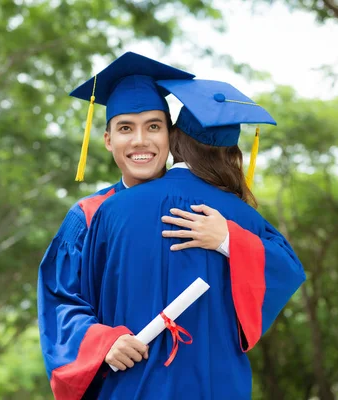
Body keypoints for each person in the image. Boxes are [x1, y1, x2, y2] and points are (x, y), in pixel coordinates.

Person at [37, 54, 252, 400]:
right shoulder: (89, 216)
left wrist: (228, 240)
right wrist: (104, 342)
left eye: (154, 126)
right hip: (129, 385)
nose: (140, 141)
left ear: (171, 136)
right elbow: (60, 302)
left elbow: (269, 272)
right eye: (125, 128)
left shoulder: (212, 209)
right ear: (108, 140)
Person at [79, 79, 306, 399]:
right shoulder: (242, 219)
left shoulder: (111, 211)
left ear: (173, 140)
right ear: (232, 154)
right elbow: (288, 271)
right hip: (215, 387)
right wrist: (231, 241)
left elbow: (86, 302)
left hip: (131, 384)